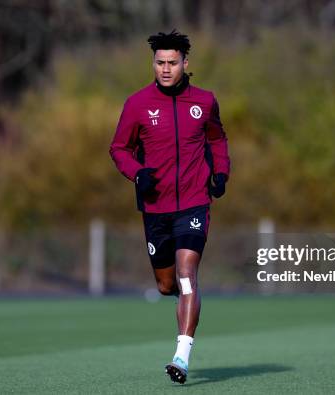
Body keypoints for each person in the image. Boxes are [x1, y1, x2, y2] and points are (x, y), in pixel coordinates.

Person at [109, 30, 230, 384]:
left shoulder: (205, 101)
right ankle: (188, 302)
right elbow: (119, 149)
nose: (165, 69)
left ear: (185, 63)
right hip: (155, 208)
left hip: (194, 203)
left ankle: (182, 355)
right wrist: (137, 174)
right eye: (160, 63)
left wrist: (220, 173)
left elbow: (218, 139)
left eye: (172, 63)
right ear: (154, 63)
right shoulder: (137, 104)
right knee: (167, 285)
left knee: (187, 277)